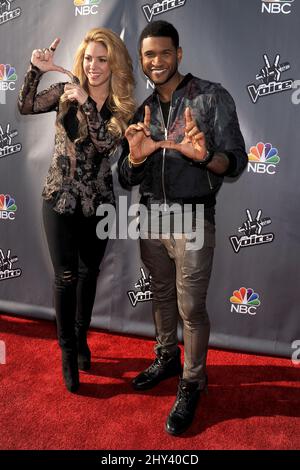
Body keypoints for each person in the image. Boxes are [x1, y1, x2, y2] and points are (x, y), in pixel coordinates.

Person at [118, 20, 247, 435]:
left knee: (190, 307)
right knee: (160, 295)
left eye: (164, 52)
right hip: (151, 218)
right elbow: (126, 176)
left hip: (193, 218)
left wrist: (205, 156)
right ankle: (166, 356)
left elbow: (236, 161)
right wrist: (136, 158)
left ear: (179, 53)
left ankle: (193, 381)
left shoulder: (210, 98)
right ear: (141, 62)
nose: (157, 61)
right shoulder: (144, 111)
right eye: (149, 55)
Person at [18, 28, 135, 393]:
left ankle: (81, 337)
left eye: (102, 59)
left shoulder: (122, 108)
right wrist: (37, 70)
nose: (94, 66)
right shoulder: (64, 95)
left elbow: (105, 145)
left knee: (90, 273)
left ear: (113, 64)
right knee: (65, 276)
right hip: (58, 198)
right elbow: (26, 105)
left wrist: (87, 100)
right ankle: (68, 352)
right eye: (88, 59)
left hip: (99, 204)